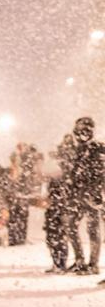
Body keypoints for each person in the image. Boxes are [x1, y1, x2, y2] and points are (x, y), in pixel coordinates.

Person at [63, 117, 105, 274]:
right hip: (78, 194)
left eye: (83, 129)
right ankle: (80, 260)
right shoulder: (78, 148)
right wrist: (70, 186)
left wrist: (98, 192)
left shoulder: (98, 148)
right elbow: (74, 172)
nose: (80, 133)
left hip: (91, 194)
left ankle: (93, 264)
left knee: (92, 229)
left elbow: (101, 173)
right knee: (71, 225)